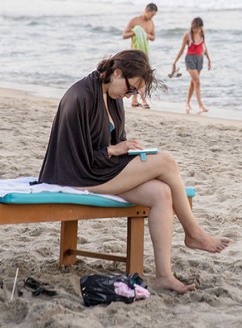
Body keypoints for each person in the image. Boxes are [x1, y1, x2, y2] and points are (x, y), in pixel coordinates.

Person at [38, 49, 229, 294]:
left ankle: (164, 276)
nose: (130, 95)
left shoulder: (113, 98)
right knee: (167, 162)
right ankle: (194, 233)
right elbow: (75, 158)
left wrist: (123, 149)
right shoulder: (80, 96)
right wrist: (113, 150)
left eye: (134, 92)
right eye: (131, 88)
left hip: (100, 169)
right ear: (116, 73)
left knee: (161, 193)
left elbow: (115, 143)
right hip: (78, 174)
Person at [171, 17, 211, 113]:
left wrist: (209, 60)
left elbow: (204, 47)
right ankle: (201, 105)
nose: (196, 30)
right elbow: (181, 50)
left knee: (193, 82)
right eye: (194, 28)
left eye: (198, 28)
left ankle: (187, 103)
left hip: (200, 59)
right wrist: (175, 62)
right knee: (197, 82)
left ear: (201, 27)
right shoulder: (187, 35)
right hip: (190, 59)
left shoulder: (202, 33)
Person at [121, 3, 157, 108]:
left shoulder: (151, 23)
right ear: (146, 10)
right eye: (152, 14)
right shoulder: (135, 21)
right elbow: (124, 35)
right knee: (138, 77)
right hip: (134, 54)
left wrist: (144, 34)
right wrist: (136, 32)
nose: (152, 17)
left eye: (154, 15)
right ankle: (143, 100)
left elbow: (153, 37)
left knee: (141, 77)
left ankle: (134, 100)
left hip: (144, 54)